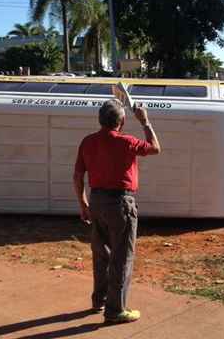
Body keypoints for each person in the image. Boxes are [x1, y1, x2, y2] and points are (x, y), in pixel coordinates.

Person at [73, 99, 161, 324]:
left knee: (101, 254)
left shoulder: (88, 142)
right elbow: (155, 148)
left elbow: (77, 176)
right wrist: (145, 121)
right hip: (121, 203)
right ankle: (115, 310)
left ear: (100, 119)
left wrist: (83, 204)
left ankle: (99, 300)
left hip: (97, 202)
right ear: (121, 121)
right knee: (122, 257)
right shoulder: (126, 142)